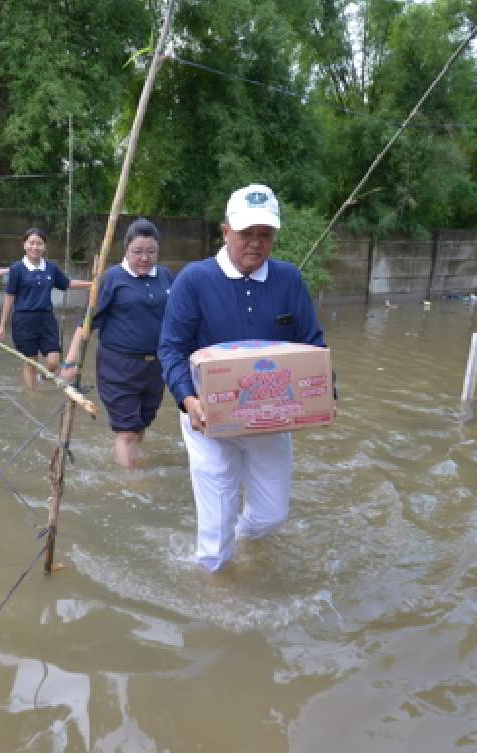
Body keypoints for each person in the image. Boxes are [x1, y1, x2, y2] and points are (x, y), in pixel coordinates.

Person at [158, 184, 327, 572]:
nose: (255, 242)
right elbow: (171, 348)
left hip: (270, 417)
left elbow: (312, 344)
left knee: (272, 515)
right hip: (206, 418)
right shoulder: (193, 280)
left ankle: (244, 538)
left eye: (265, 234)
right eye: (246, 233)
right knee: (215, 522)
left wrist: (320, 393)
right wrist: (188, 398)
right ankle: (214, 588)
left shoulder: (289, 280)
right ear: (225, 231)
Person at [60, 218, 172, 468]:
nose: (144, 258)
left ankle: (129, 464)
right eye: (138, 252)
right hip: (118, 367)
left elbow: (175, 318)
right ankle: (131, 485)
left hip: (155, 366)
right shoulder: (111, 278)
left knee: (141, 425)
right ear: (126, 250)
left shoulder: (164, 276)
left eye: (151, 252)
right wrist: (70, 361)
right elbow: (86, 324)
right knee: (127, 431)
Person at [0, 228, 92, 390]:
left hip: (47, 320)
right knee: (30, 361)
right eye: (31, 243)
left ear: (44, 247)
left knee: (53, 361)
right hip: (24, 321)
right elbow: (9, 296)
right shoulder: (17, 269)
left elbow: (66, 283)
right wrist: (2, 325)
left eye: (39, 243)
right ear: (24, 245)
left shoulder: (50, 268)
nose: (35, 247)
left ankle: (41, 378)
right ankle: (32, 396)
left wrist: (91, 284)